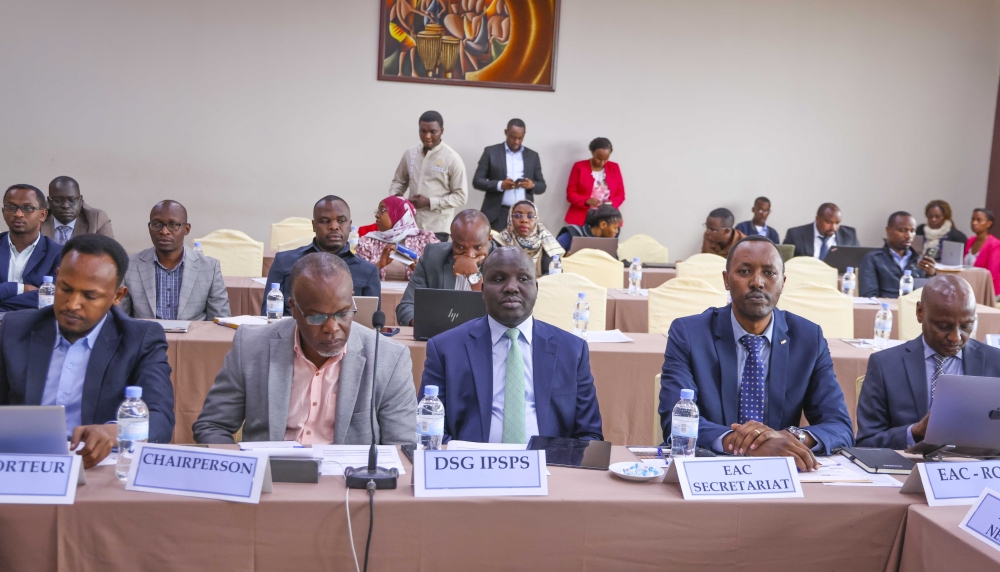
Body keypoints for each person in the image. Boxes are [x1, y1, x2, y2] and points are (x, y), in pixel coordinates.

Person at [659, 235, 854, 470]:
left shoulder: (808, 338)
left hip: (781, 472)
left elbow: (839, 427)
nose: (757, 282)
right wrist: (752, 446)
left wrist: (789, 438)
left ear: (782, 282)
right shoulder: (689, 333)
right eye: (744, 271)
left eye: (769, 273)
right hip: (708, 469)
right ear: (726, 280)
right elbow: (677, 420)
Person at [194, 253, 416, 445]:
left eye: (342, 313)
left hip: (348, 486)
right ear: (293, 308)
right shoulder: (251, 347)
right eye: (317, 316)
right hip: (271, 479)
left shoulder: (388, 358)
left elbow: (402, 446)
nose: (331, 328)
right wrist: (243, 470)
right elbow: (212, 425)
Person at [0, 234, 175, 468]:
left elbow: (160, 418)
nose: (72, 304)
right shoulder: (15, 328)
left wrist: (115, 431)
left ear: (117, 296)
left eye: (89, 295)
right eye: (65, 289)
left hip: (99, 469)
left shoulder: (140, 339)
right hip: (23, 464)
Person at [419, 246, 603, 443]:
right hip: (471, 467)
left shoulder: (572, 350)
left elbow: (589, 435)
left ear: (536, 288)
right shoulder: (446, 349)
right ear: (482, 290)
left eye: (523, 279)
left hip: (550, 467)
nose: (511, 287)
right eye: (498, 279)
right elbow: (429, 431)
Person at [855, 275, 1000, 449]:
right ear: (920, 312)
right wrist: (915, 431)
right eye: (943, 326)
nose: (955, 337)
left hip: (980, 469)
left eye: (966, 326)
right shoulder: (885, 365)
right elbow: (866, 443)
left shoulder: (995, 362)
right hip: (908, 468)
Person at [263, 195, 380, 316]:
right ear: (313, 225)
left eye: (341, 221)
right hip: (292, 333)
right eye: (325, 221)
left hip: (346, 334)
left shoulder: (368, 271)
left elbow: (372, 325)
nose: (334, 226)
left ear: (350, 225)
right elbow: (267, 317)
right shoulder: (284, 262)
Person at [119, 200, 231, 321]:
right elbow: (119, 319)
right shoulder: (129, 265)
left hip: (192, 338)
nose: (164, 231)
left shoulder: (209, 268)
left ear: (186, 229)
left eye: (173, 224)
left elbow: (220, 321)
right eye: (156, 224)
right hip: (145, 338)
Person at [395, 210, 493, 326]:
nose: (469, 255)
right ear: (452, 239)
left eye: (478, 247)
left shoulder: (503, 263)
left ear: (489, 239)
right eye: (460, 247)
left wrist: (473, 276)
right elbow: (406, 307)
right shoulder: (432, 258)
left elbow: (500, 316)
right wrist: (430, 326)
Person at [389, 110, 469, 242]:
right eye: (423, 131)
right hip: (410, 225)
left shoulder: (452, 159)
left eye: (433, 132)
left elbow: (461, 197)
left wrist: (430, 202)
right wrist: (396, 201)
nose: (427, 136)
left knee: (431, 262)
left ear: (441, 131)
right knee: (407, 261)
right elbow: (399, 181)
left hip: (437, 228)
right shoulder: (410, 153)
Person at [472, 118, 547, 232]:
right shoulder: (491, 152)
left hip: (524, 217)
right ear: (505, 132)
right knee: (495, 248)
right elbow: (477, 181)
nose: (516, 141)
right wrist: (500, 185)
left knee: (520, 249)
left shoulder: (532, 156)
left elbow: (542, 186)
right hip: (498, 213)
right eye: (513, 137)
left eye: (520, 138)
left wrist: (531, 185)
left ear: (524, 135)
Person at [1, 184, 63, 311]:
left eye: (27, 208)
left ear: (43, 214)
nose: (18, 214)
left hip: (33, 326)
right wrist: (21, 289)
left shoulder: (58, 254)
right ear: (3, 212)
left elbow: (53, 298)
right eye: (11, 207)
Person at [354, 196, 439, 281]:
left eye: (382, 210)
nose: (377, 215)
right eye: (377, 211)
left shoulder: (425, 240)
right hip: (377, 294)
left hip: (416, 294)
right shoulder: (368, 242)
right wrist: (379, 265)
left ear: (398, 213)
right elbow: (357, 277)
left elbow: (440, 275)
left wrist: (420, 271)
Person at [858, 212, 937, 298]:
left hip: (914, 309)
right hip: (885, 309)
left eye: (912, 231)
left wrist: (931, 275)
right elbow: (869, 296)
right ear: (888, 230)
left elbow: (931, 298)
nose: (908, 236)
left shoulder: (920, 261)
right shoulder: (873, 259)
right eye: (903, 230)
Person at [491, 200, 564, 276]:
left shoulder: (546, 241)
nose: (524, 220)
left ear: (536, 220)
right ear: (510, 218)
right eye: (517, 215)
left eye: (530, 216)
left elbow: (553, 275)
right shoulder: (499, 241)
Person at [564, 137, 625, 226]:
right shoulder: (579, 167)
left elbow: (621, 194)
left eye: (606, 159)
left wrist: (611, 203)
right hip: (582, 219)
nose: (602, 163)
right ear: (592, 152)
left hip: (609, 220)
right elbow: (570, 194)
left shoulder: (614, 167)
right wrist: (586, 201)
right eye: (599, 159)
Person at [41, 176, 114, 244]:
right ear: (49, 201)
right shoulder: (39, 217)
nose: (66, 206)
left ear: (80, 200)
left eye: (72, 200)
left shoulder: (97, 219)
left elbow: (108, 253)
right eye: (58, 200)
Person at [782, 203, 859, 259]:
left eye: (837, 223)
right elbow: (784, 263)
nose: (834, 228)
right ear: (817, 219)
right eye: (829, 222)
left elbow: (858, 260)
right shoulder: (795, 234)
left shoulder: (849, 235)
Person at [555, 204, 622, 252]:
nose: (616, 232)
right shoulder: (572, 234)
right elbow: (552, 258)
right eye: (615, 228)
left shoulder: (609, 244)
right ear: (603, 225)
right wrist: (565, 259)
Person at [964, 208, 1000, 296]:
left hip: (987, 291)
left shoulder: (995, 244)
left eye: (978, 220)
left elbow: (992, 274)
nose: (974, 223)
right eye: (972, 219)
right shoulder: (970, 241)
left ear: (989, 224)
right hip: (969, 288)